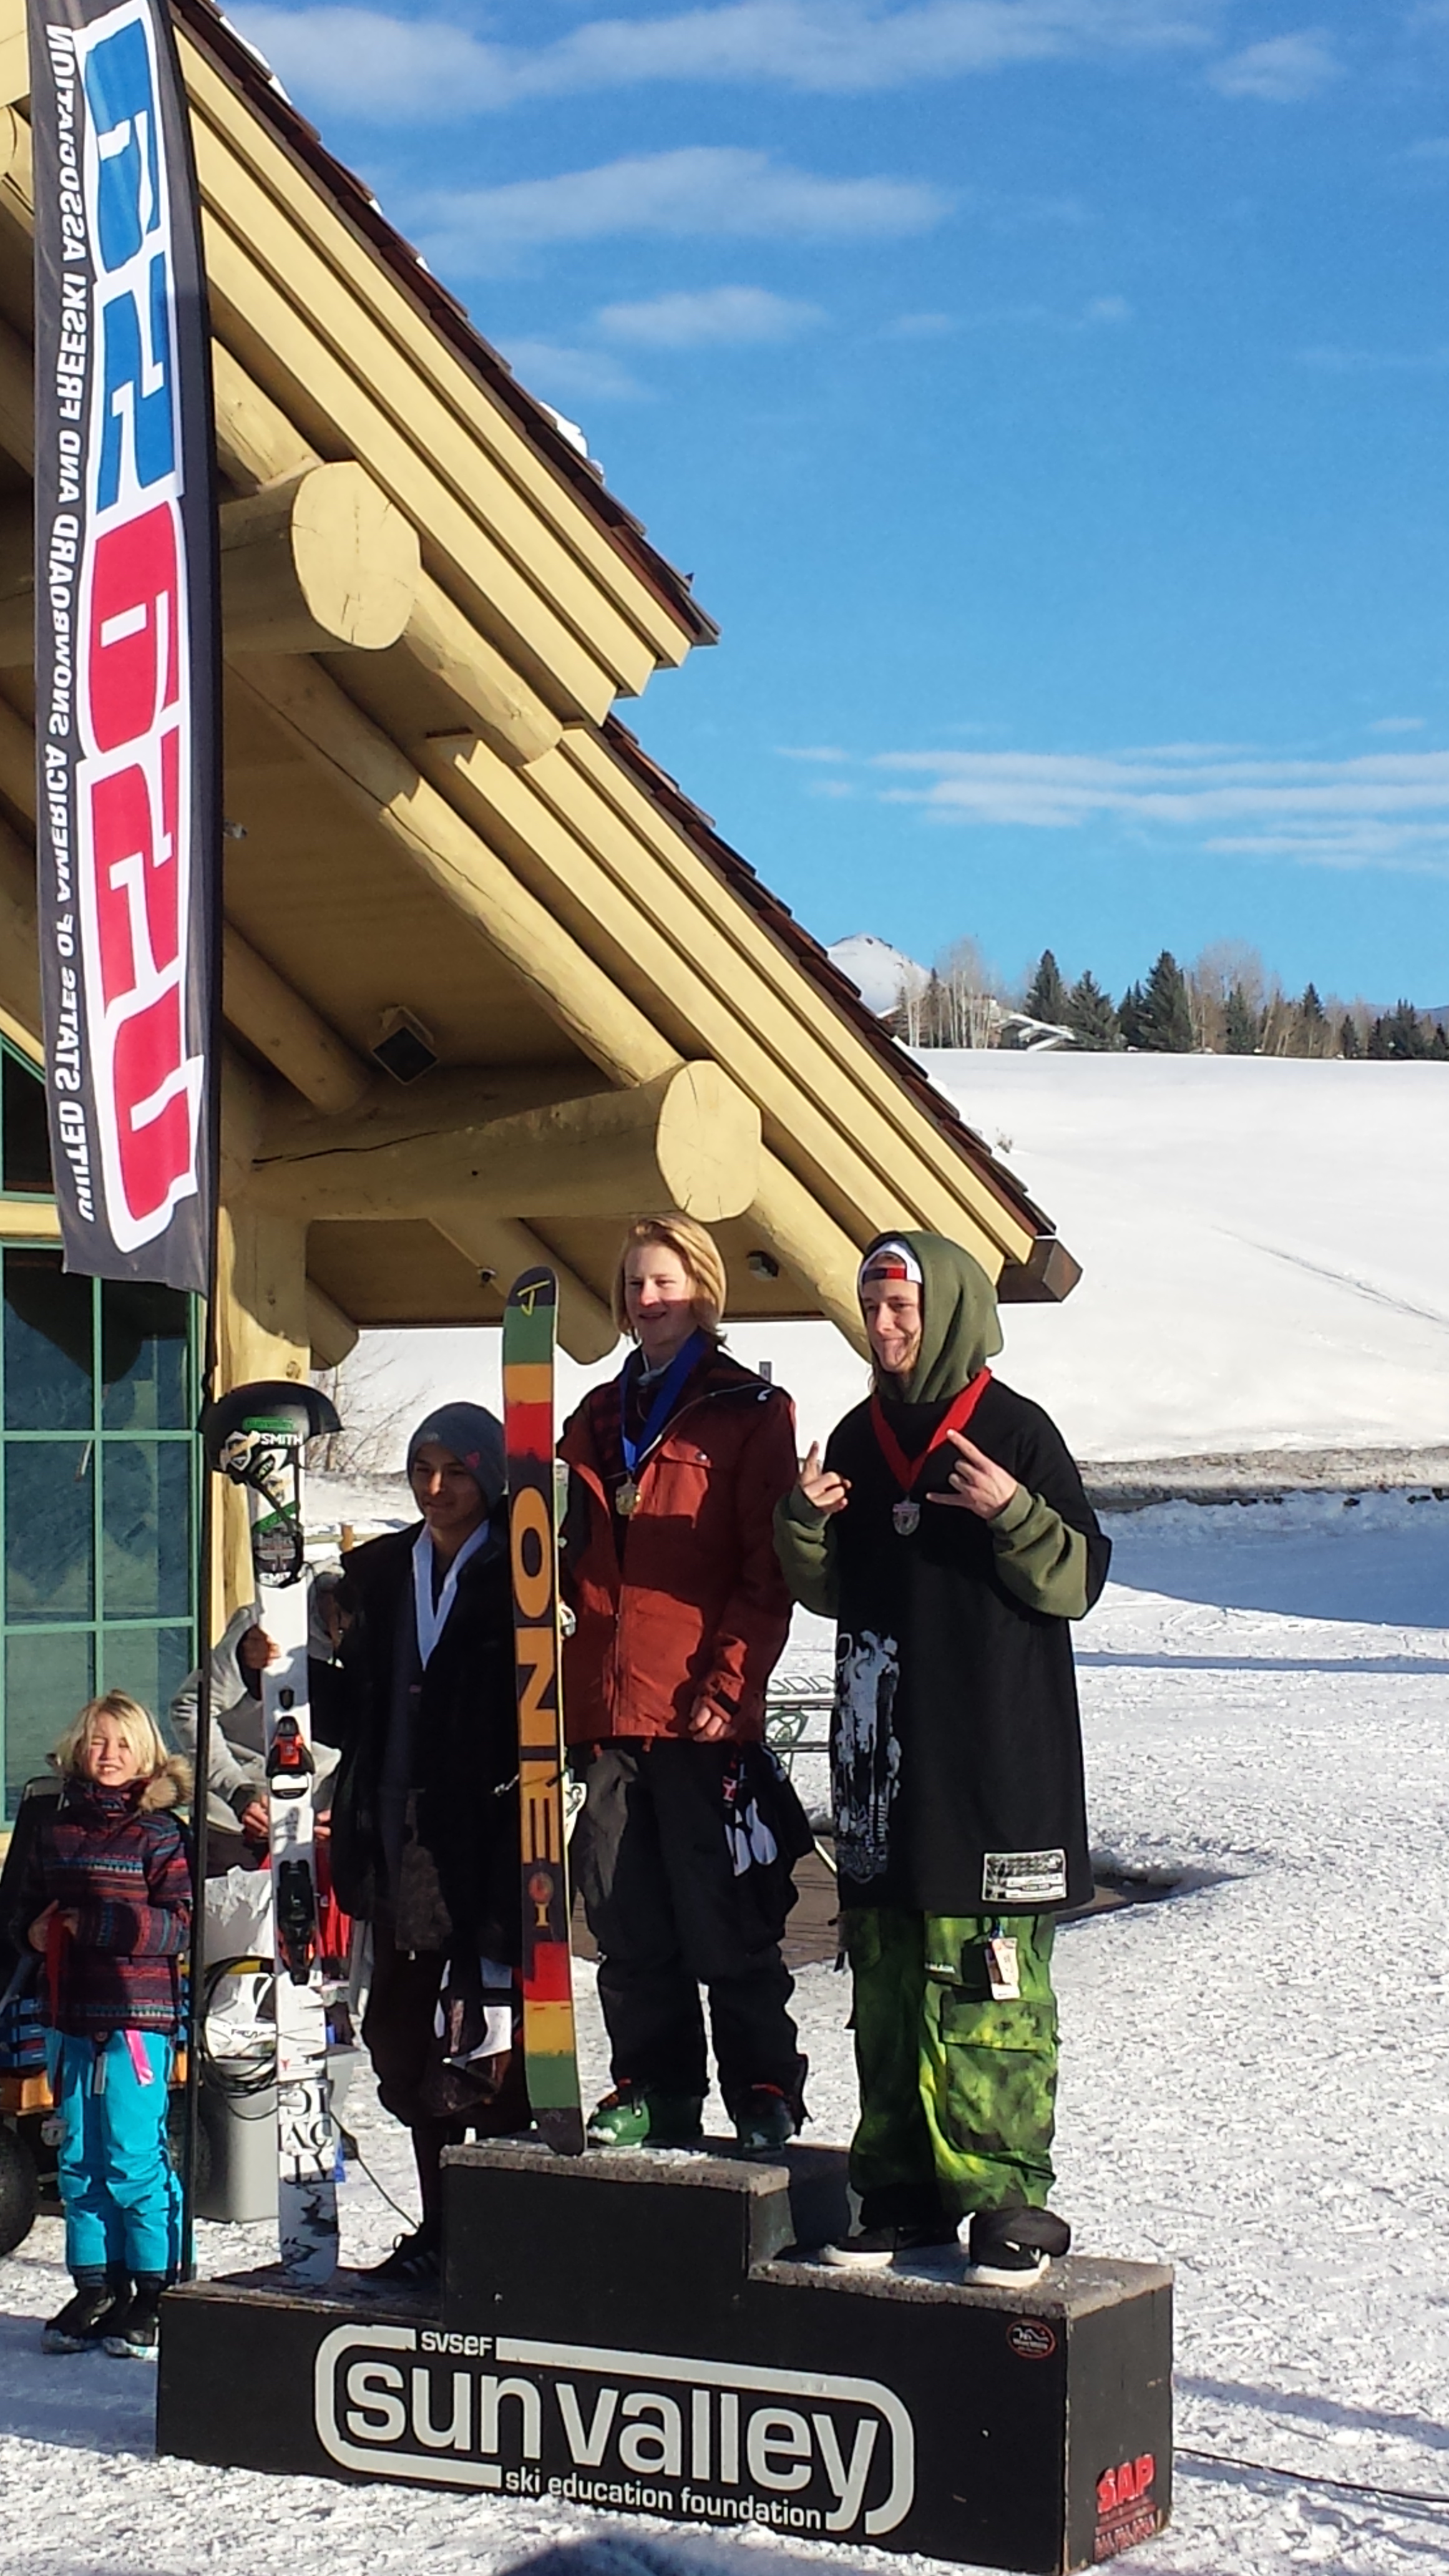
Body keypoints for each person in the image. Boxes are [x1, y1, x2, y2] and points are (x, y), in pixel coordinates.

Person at [773, 1231, 1110, 2280]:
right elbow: (829, 1588)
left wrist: (1013, 1512)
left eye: (901, 1309)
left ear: (950, 1311)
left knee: (986, 1983)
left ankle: (1007, 2200)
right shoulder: (856, 1437)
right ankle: (900, 2192)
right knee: (884, 1981)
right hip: (882, 1766)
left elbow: (1076, 1581)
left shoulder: (1014, 1429)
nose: (882, 1328)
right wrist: (802, 1525)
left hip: (994, 1763)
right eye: (871, 1307)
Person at [560, 1212, 809, 2154]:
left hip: (699, 1710)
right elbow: (569, 1562)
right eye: (634, 1283)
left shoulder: (746, 1410)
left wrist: (731, 1685)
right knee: (625, 1914)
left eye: (664, 1281)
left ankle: (761, 2087)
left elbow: (765, 1569)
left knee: (726, 1917)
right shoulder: (595, 1416)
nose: (647, 1299)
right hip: (610, 1710)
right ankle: (654, 2087)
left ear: (702, 1289)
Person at [328, 1403, 522, 2284]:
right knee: (402, 2039)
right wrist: (278, 1677)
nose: (435, 1489)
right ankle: (442, 2228)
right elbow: (354, 1710)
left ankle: (505, 2240)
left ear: (488, 1475)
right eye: (421, 1470)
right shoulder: (375, 1574)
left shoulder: (521, 1573)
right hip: (395, 1830)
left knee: (491, 2043)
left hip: (489, 1839)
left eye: (454, 1471)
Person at [11, 1690, 191, 2357]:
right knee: (79, 2157)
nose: (108, 1755)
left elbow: (179, 1926)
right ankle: (97, 2285)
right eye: (97, 1742)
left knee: (132, 2157)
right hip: (69, 2015)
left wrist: (103, 1924)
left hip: (135, 2018)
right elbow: (24, 1911)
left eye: (122, 1745)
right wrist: (32, 1934)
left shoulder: (161, 1834)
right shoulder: (55, 1830)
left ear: (144, 1755)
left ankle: (155, 2288)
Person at [169, 1574, 349, 1865]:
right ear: (335, 1602)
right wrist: (238, 1791)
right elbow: (191, 1708)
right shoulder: (265, 1623)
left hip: (317, 1827)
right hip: (236, 1824)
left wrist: (346, 1808)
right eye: (346, 1630)